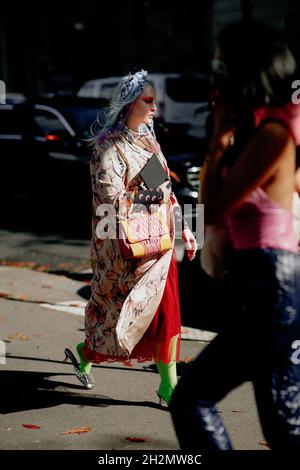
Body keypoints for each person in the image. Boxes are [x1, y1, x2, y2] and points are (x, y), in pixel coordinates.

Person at [170, 20, 300, 449]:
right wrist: (220, 139)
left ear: (247, 72)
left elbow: (217, 209)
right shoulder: (252, 135)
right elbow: (212, 207)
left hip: (273, 286)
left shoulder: (274, 136)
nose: (215, 75)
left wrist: (222, 139)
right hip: (258, 287)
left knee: (193, 397)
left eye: (222, 66)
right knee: (282, 427)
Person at [64, 70, 197, 406]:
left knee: (168, 313)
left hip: (161, 245)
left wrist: (184, 227)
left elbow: (164, 191)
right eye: (148, 101)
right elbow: (112, 202)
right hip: (123, 248)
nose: (155, 107)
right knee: (114, 315)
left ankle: (168, 386)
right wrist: (150, 197)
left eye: (155, 101)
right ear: (129, 103)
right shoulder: (108, 148)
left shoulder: (147, 143)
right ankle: (86, 353)